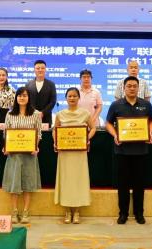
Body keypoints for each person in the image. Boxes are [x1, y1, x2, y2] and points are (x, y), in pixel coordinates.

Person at [106, 76, 152, 224]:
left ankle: (139, 213)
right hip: (122, 151)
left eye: (134, 86)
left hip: (141, 150)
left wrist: (150, 132)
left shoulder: (146, 105)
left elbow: (151, 121)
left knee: (140, 184)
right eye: (129, 86)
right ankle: (123, 214)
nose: (132, 88)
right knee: (123, 185)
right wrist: (115, 135)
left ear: (138, 88)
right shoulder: (116, 105)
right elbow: (108, 123)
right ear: (124, 88)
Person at [54, 87, 96, 224]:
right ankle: (67, 211)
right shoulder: (60, 114)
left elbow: (93, 128)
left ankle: (77, 212)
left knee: (79, 180)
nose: (72, 98)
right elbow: (55, 130)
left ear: (79, 98)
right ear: (66, 98)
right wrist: (56, 141)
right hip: (65, 153)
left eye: (74, 96)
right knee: (66, 180)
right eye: (69, 96)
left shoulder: (85, 113)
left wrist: (87, 138)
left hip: (79, 152)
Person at [2, 87, 42, 224]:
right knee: (14, 183)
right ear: (16, 98)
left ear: (29, 97)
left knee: (28, 183)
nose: (22, 98)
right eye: (19, 95)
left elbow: (39, 133)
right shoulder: (10, 114)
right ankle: (14, 211)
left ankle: (25, 212)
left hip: (30, 155)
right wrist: (6, 147)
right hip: (14, 154)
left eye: (24, 95)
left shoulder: (36, 114)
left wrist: (35, 146)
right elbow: (6, 133)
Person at [26, 59, 57, 127]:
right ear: (34, 70)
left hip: (46, 117)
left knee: (45, 134)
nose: (40, 70)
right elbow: (27, 100)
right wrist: (34, 112)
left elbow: (53, 101)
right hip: (31, 116)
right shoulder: (28, 84)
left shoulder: (51, 84)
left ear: (45, 70)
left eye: (42, 68)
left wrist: (43, 113)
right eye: (38, 68)